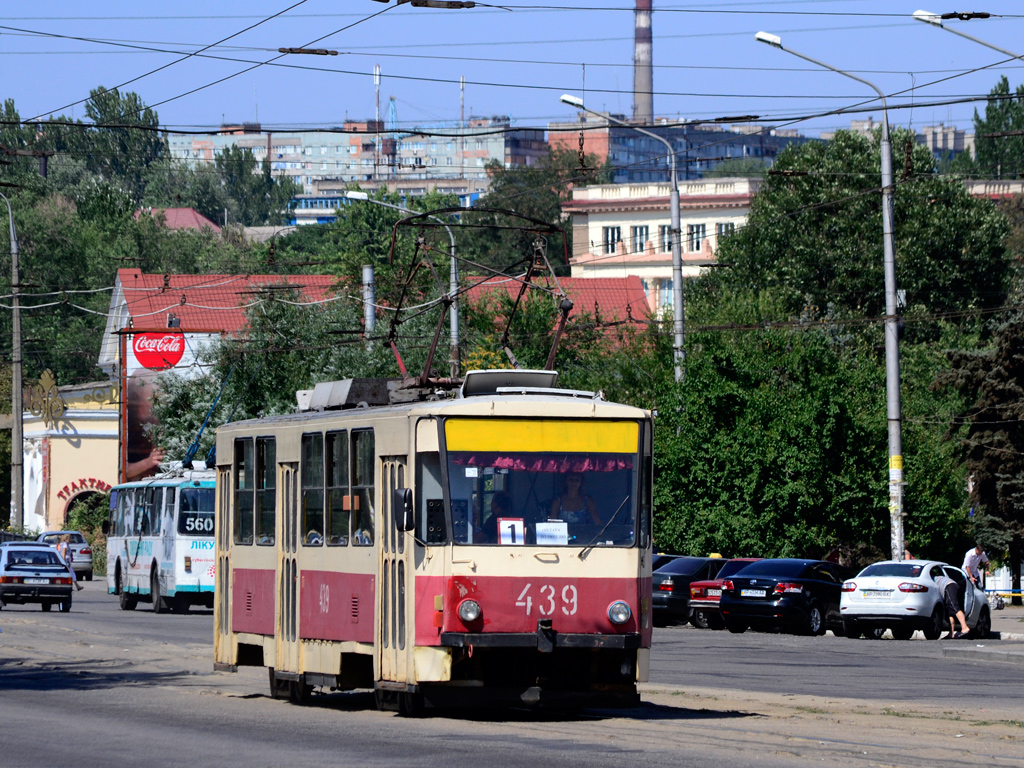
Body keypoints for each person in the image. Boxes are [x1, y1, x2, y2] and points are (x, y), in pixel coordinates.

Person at [935, 572, 970, 638]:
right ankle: (951, 633)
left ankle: (965, 627)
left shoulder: (932, 580)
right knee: (950, 612)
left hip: (949, 587)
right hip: (954, 586)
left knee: (955, 607)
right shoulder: (939, 577)